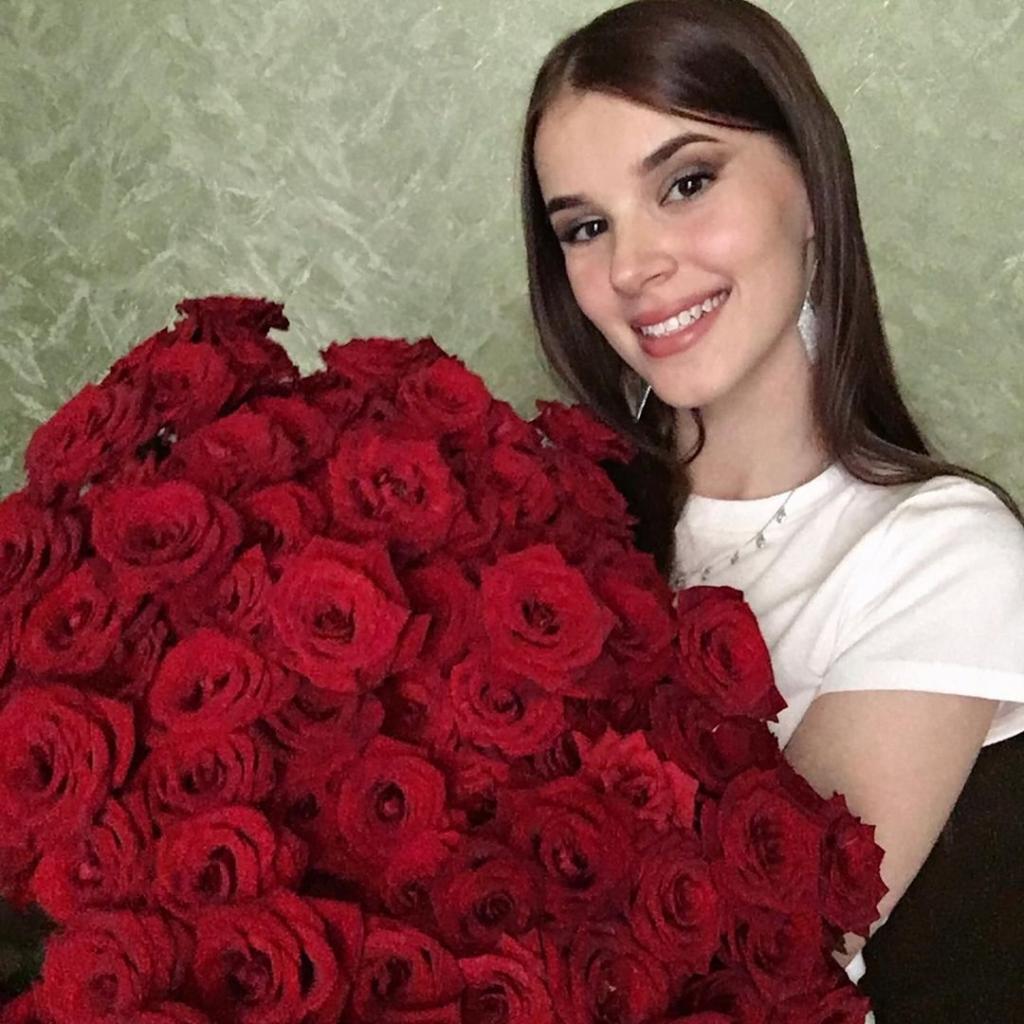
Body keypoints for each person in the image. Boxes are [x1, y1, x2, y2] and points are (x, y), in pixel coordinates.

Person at [518, 0, 1024, 1019]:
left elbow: (757, 965)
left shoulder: (944, 554)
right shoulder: (544, 529)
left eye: (686, 183)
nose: (632, 267)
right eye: (587, 227)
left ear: (811, 188)